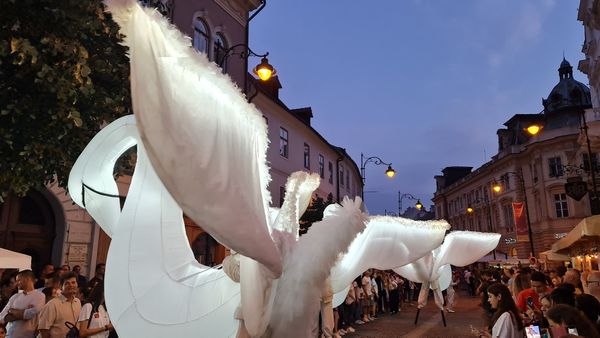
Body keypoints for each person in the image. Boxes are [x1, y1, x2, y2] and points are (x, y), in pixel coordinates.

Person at [0, 270, 45, 338]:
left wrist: (12, 311)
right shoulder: (15, 296)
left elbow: (29, 315)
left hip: (26, 335)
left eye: (19, 280)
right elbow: (2, 317)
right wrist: (23, 312)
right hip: (9, 335)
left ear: (27, 279)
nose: (16, 283)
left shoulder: (39, 296)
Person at [37, 272, 82, 338]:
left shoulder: (78, 302)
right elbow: (43, 329)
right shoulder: (52, 304)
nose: (71, 285)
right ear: (61, 286)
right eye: (67, 283)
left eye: (73, 282)